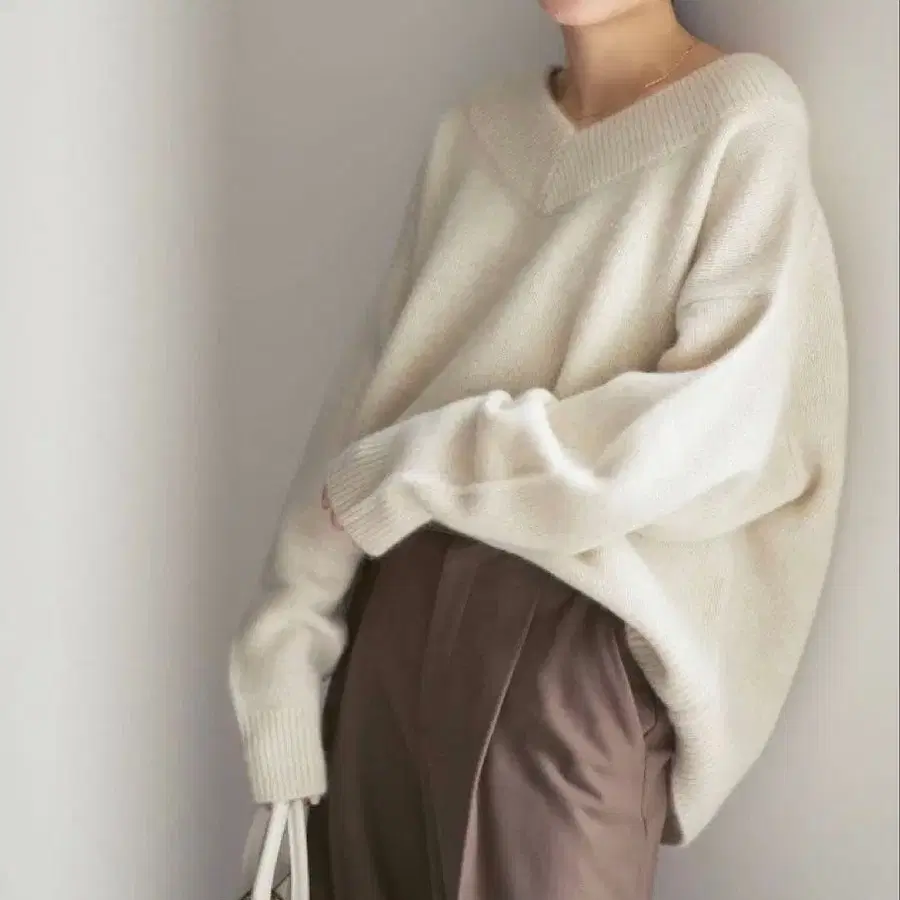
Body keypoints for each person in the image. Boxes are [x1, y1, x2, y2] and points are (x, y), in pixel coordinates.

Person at [231, 1, 848, 898]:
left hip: (568, 645)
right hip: (387, 624)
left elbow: (710, 433)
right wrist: (283, 661)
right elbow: (363, 415)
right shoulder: (473, 135)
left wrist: (418, 466)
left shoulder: (744, 119)